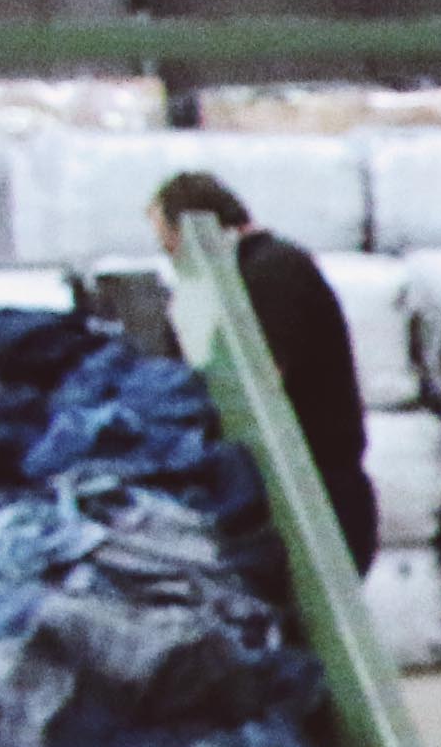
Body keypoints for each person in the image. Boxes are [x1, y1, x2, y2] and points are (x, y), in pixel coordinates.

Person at [148, 170, 379, 568]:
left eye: (170, 247)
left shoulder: (272, 271)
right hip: (296, 494)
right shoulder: (251, 274)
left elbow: (256, 384)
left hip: (316, 496)